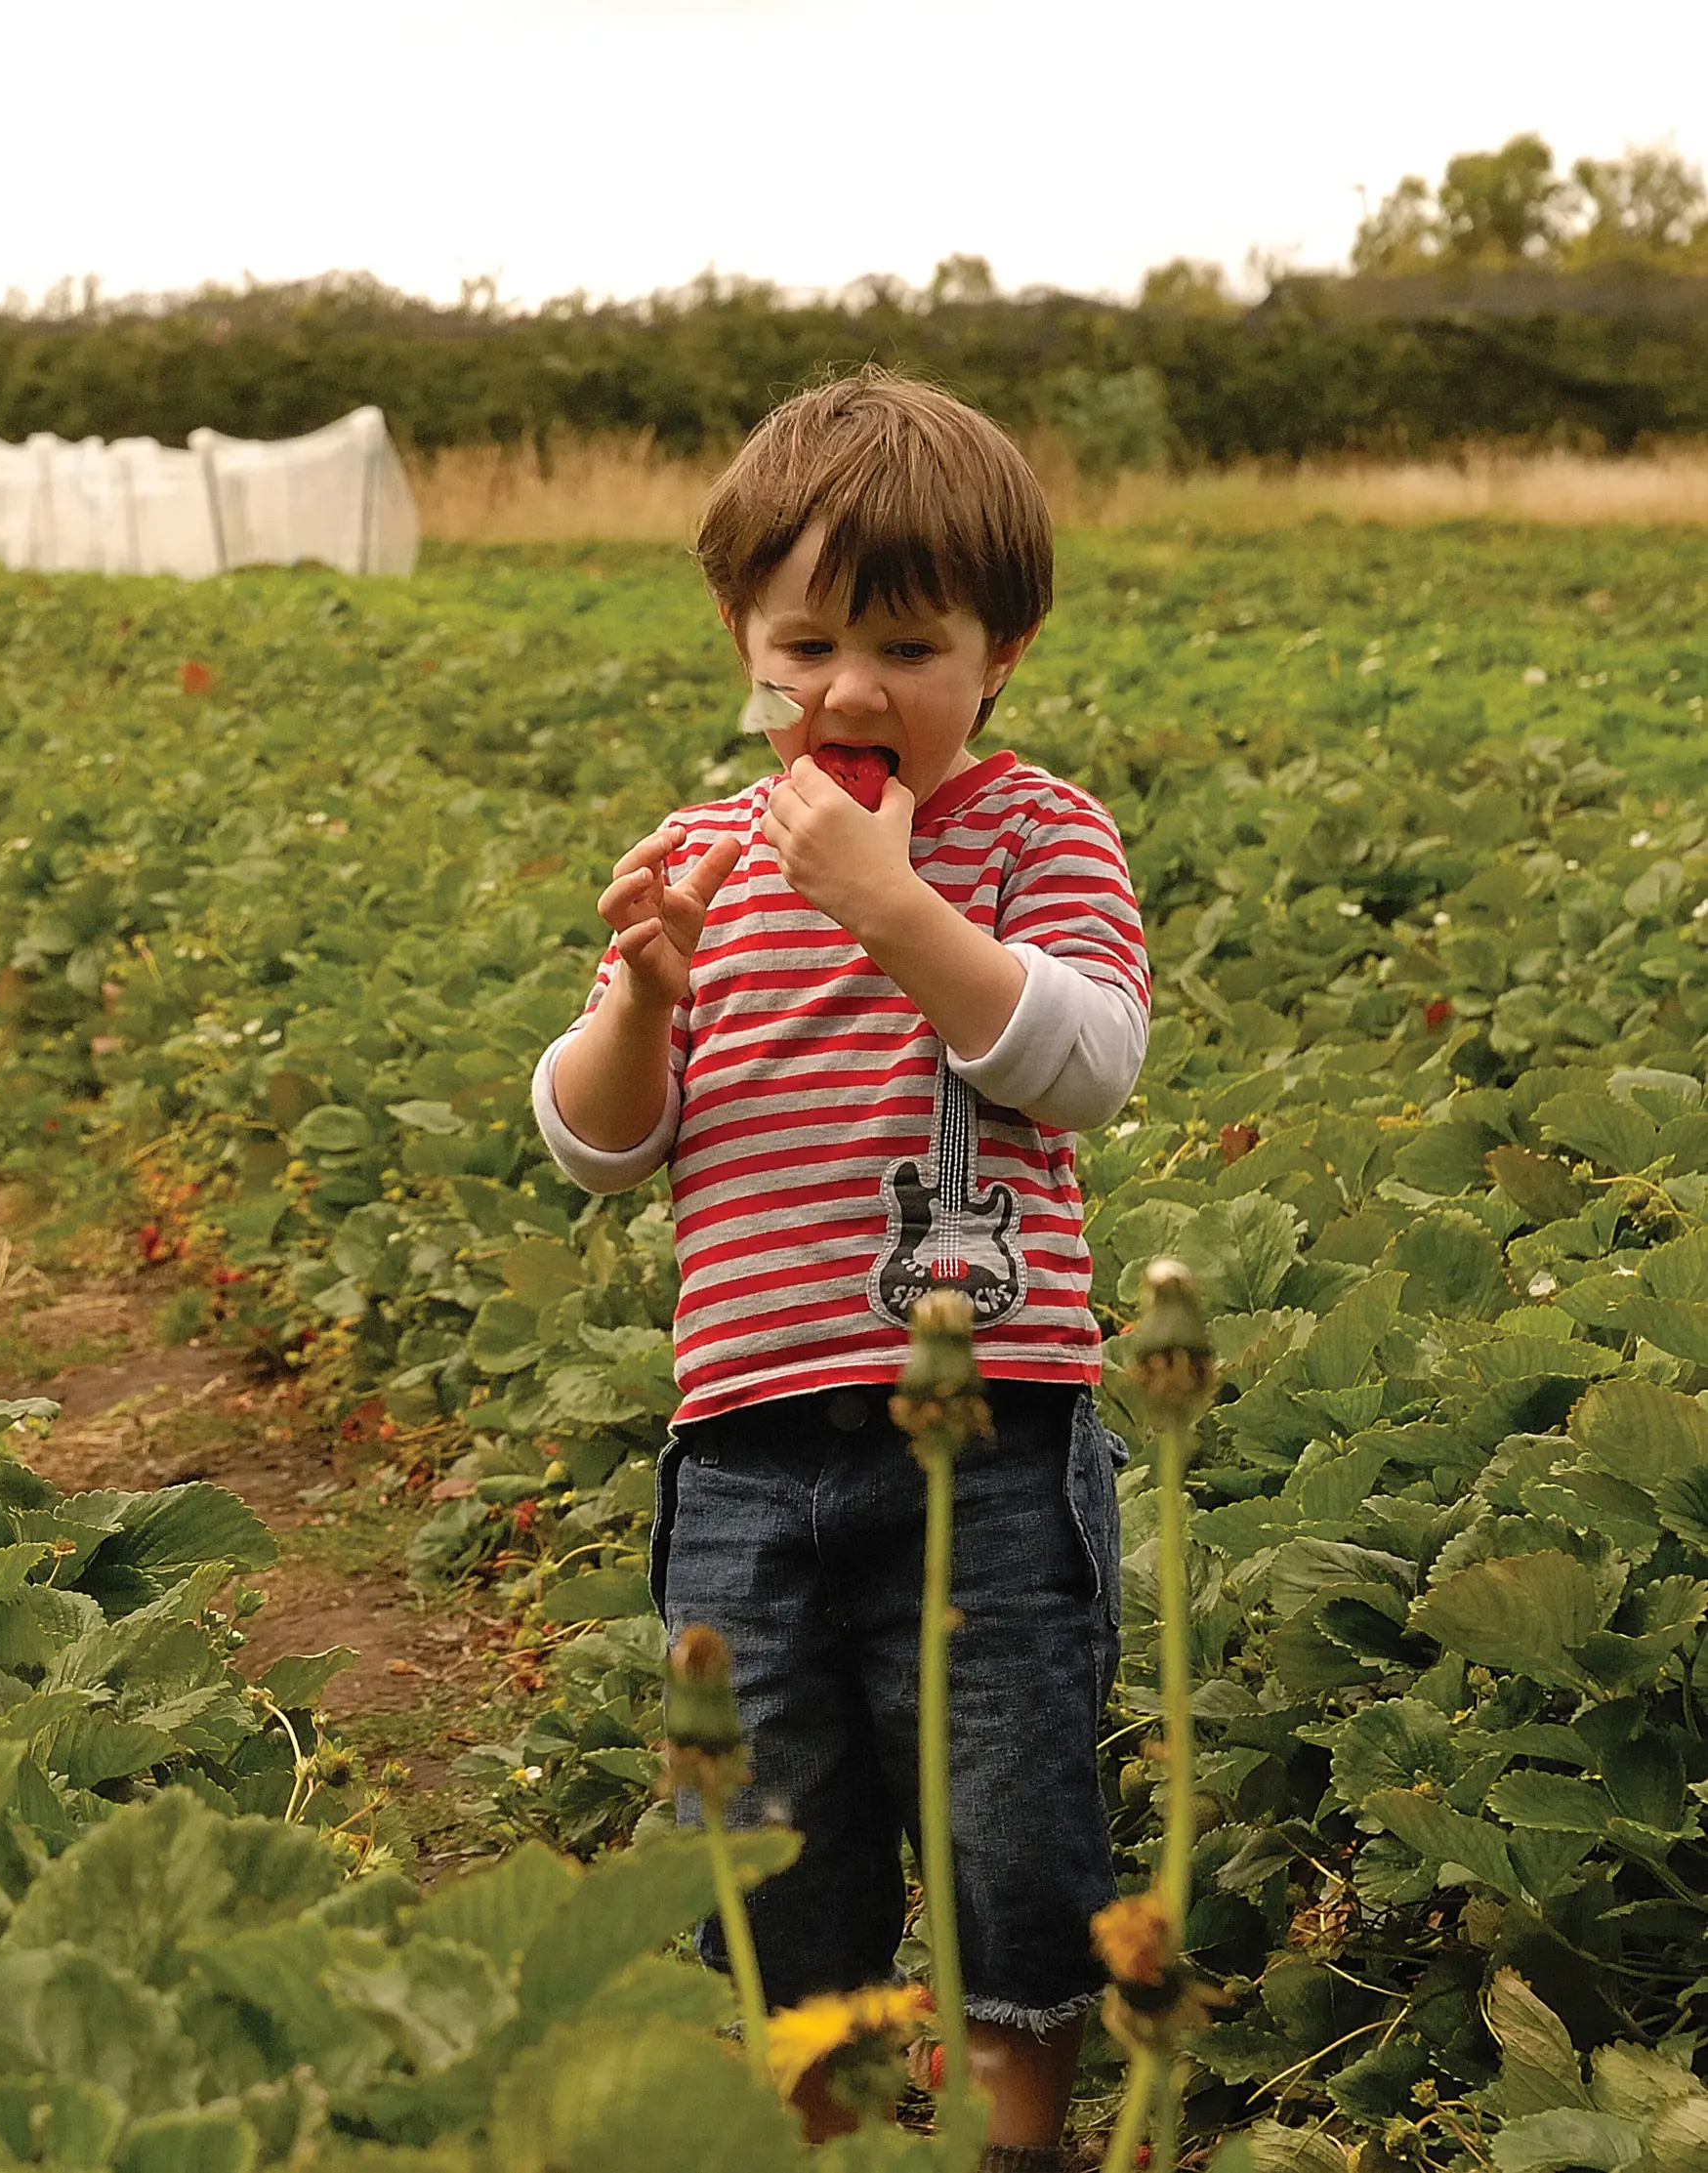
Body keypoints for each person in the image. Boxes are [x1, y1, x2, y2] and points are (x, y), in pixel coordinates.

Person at [530, 368, 1150, 2171]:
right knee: (772, 1830)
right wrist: (643, 992)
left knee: (1005, 1810)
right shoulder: (708, 857)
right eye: (804, 644)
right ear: (739, 640)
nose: (850, 691)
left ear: (998, 651)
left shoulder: (1035, 837)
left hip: (993, 1444)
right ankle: (826, 2128)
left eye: (904, 643)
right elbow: (591, 1138)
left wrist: (892, 906)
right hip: (738, 1449)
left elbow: (1083, 1060)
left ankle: (1009, 2139)